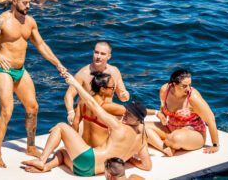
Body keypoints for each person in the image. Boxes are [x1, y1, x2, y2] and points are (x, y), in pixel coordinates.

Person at [0, 0, 66, 168]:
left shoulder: (30, 22)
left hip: (20, 70)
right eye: (25, 2)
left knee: (33, 107)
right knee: (7, 111)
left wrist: (58, 64)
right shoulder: (1, 20)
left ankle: (30, 146)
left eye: (30, 2)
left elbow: (42, 45)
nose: (29, 6)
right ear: (14, 1)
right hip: (4, 70)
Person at [22, 72, 151, 176]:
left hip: (87, 162)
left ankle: (41, 161)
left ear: (139, 120)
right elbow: (147, 166)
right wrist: (128, 158)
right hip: (91, 172)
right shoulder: (142, 140)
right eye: (126, 112)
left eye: (129, 115)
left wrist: (75, 84)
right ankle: (46, 167)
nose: (124, 115)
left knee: (61, 126)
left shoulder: (118, 127)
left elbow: (92, 104)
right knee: (62, 153)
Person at [146, 68, 219, 156]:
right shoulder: (165, 90)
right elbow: (162, 109)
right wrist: (161, 115)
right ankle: (165, 148)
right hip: (171, 128)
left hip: (194, 133)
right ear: (174, 84)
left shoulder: (193, 97)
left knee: (174, 139)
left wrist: (215, 145)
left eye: (190, 85)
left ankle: (169, 143)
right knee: (140, 127)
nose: (188, 89)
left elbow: (211, 119)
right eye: (184, 86)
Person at [64, 41, 130, 127]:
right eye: (96, 52)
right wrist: (71, 112)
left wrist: (126, 95)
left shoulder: (114, 71)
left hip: (107, 112)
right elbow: (68, 95)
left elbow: (122, 96)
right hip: (88, 115)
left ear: (109, 56)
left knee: (133, 118)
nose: (98, 56)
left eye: (102, 54)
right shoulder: (83, 73)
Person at [72, 71, 126, 149]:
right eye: (112, 87)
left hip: (85, 147)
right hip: (100, 150)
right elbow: (133, 111)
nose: (114, 90)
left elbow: (75, 124)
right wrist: (150, 111)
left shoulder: (82, 102)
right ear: (103, 89)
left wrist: (76, 145)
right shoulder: (106, 106)